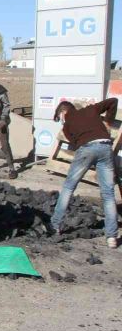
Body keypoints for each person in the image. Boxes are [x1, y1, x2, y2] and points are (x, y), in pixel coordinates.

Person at [48, 98, 119, 248]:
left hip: (86, 149)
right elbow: (113, 101)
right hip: (106, 147)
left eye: (60, 116)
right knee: (108, 193)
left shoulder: (67, 125)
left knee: (69, 187)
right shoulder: (90, 110)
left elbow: (75, 145)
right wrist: (107, 122)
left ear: (63, 112)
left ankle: (55, 225)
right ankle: (112, 237)